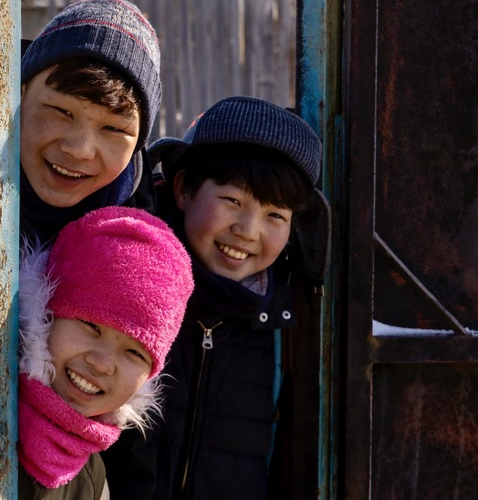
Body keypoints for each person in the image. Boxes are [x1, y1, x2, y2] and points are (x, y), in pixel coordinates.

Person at [100, 96, 331, 499]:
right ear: (183, 189)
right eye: (233, 201)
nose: (247, 230)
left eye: (275, 215)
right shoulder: (125, 289)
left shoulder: (287, 327)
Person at [17, 206, 194, 499]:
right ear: (44, 313)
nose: (102, 364)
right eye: (90, 325)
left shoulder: (93, 481)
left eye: (135, 353)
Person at [20, 0, 163, 244]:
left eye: (113, 128)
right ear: (20, 95)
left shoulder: (142, 244)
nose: (80, 150)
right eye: (62, 111)